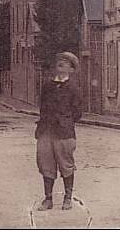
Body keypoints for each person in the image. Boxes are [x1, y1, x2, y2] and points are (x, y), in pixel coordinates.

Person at [35, 52, 83, 211]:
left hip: (64, 132)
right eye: (59, 62)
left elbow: (77, 113)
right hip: (46, 131)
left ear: (71, 69)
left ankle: (67, 198)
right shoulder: (47, 86)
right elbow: (42, 106)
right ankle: (48, 199)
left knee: (66, 164)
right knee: (45, 164)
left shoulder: (73, 88)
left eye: (66, 62)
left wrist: (65, 121)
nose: (61, 64)